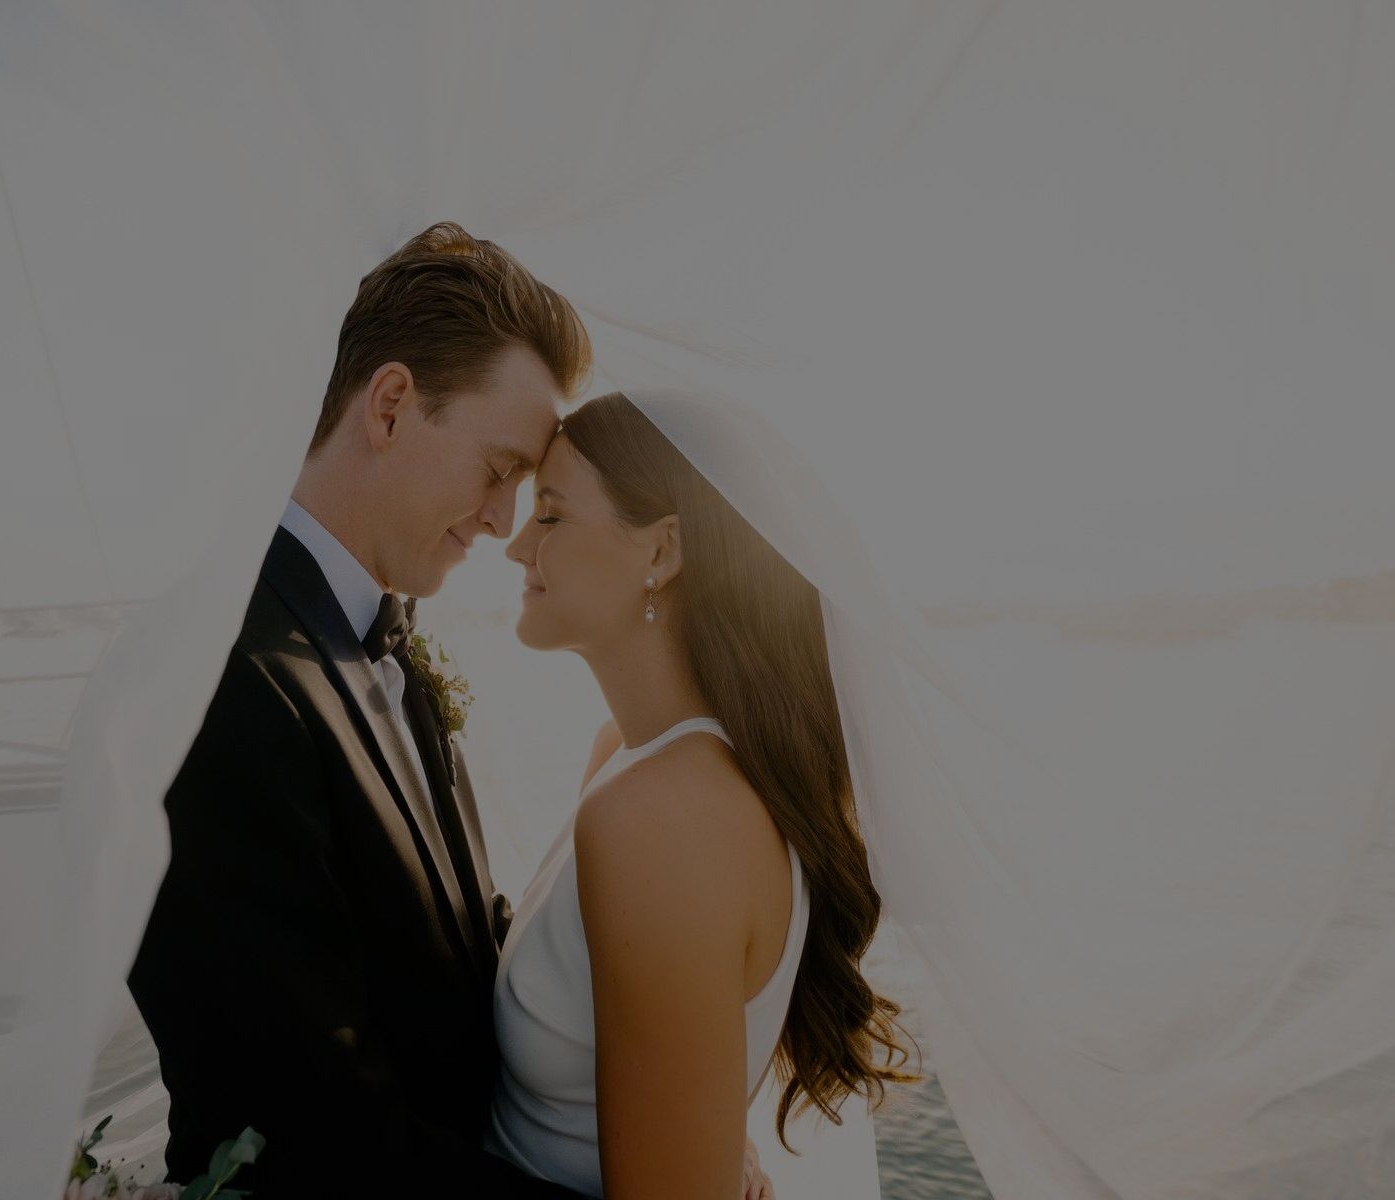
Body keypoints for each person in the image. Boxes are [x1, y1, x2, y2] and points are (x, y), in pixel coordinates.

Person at [127, 222, 594, 1197]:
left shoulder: (382, 635)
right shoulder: (227, 673)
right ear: (389, 406)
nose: (504, 521)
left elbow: (455, 953)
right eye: (499, 468)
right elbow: (312, 1131)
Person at [489, 392, 918, 1199]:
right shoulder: (629, 762)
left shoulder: (667, 821)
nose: (515, 546)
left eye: (549, 515)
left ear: (661, 551)